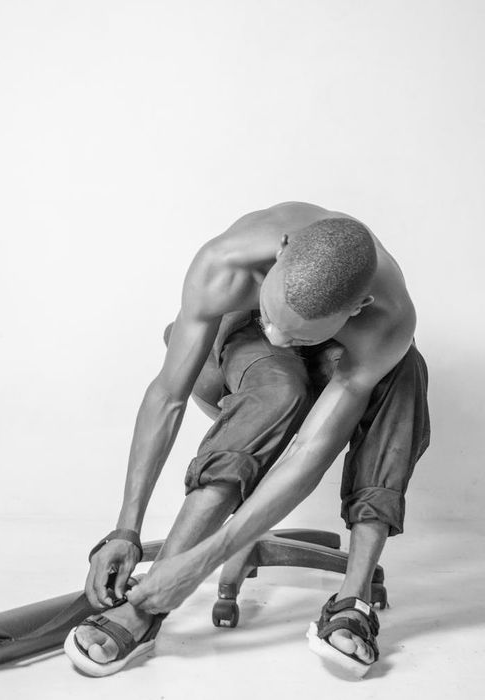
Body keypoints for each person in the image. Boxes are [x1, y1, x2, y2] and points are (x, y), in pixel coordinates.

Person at [63, 201, 430, 678]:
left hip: (344, 364)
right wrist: (125, 529)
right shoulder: (226, 264)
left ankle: (352, 601)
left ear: (358, 309)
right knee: (278, 390)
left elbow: (308, 452)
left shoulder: (388, 318)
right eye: (274, 316)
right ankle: (145, 610)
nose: (278, 335)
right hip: (237, 351)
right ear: (280, 253)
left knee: (405, 377)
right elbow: (168, 395)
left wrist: (203, 562)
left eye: (293, 333)